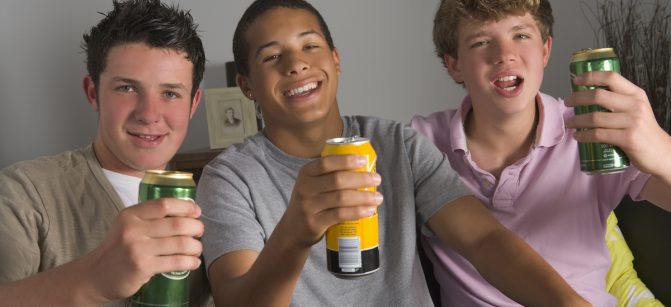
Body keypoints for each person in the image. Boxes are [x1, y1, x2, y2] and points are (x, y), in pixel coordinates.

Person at [196, 0, 589, 306]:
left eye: (310, 46)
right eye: (271, 57)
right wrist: (294, 235)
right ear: (246, 86)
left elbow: (484, 239)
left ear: (336, 60)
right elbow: (237, 300)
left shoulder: (395, 144)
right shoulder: (229, 178)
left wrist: (571, 303)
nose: (296, 64)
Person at [410, 0, 671, 305]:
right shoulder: (422, 143)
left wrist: (662, 147)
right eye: (481, 41)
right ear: (455, 64)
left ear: (545, 50)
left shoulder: (592, 130)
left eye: (520, 35)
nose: (505, 54)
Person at [0, 0, 210, 306]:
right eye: (126, 88)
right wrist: (93, 279)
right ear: (93, 93)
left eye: (170, 93)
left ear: (193, 104)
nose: (149, 114)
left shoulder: (219, 196)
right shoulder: (24, 192)